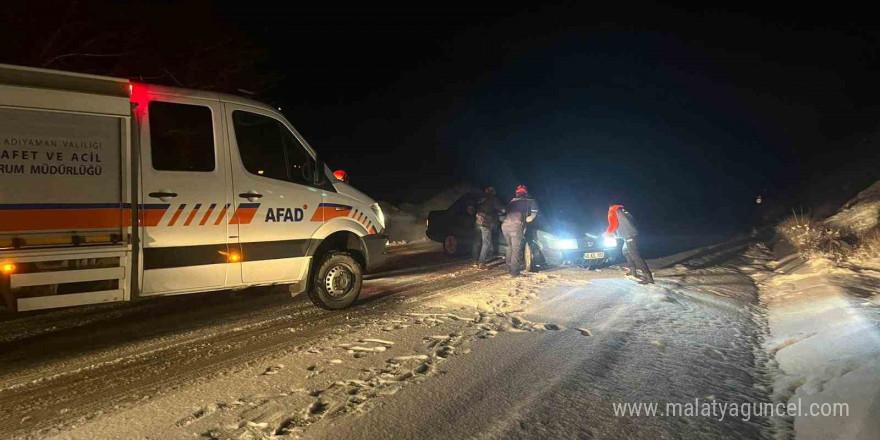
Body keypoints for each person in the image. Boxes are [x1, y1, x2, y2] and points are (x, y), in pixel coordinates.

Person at [605, 204, 654, 284]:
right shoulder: (623, 210)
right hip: (631, 234)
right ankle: (632, 270)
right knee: (625, 252)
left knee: (635, 255)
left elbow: (613, 224)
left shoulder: (613, 211)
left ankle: (648, 276)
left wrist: (607, 233)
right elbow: (630, 222)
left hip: (629, 235)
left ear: (610, 206)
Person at [502, 185, 538, 276]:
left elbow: (506, 212)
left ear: (517, 193)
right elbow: (534, 212)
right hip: (516, 226)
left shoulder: (511, 202)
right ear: (526, 193)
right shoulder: (529, 201)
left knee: (510, 247)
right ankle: (514, 272)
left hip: (505, 226)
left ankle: (508, 268)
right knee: (516, 249)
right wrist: (531, 217)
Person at [473, 186, 504, 269]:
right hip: (486, 223)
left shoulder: (481, 199)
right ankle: (481, 262)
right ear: (492, 192)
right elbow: (502, 209)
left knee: (477, 241)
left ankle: (475, 260)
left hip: (478, 222)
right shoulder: (493, 199)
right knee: (486, 243)